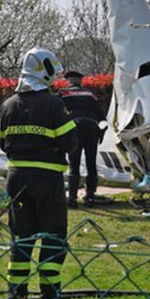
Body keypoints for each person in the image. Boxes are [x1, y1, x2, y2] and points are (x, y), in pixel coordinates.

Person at [0, 47, 78, 299]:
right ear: (42, 70)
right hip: (47, 180)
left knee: (21, 239)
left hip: (16, 179)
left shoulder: (8, 105)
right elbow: (70, 142)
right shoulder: (54, 104)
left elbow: (2, 143)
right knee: (53, 238)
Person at [60, 70, 106, 208]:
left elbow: (58, 113)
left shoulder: (63, 93)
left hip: (75, 128)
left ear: (68, 81)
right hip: (92, 128)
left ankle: (72, 199)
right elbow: (100, 114)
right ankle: (90, 196)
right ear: (80, 81)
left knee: (74, 164)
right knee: (91, 163)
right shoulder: (90, 94)